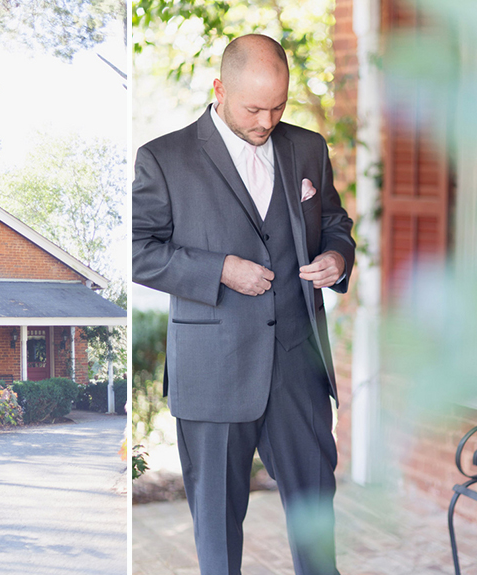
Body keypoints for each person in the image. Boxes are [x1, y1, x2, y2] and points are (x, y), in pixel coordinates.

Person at [132, 34, 355, 575]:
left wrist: (337, 257)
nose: (267, 120)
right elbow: (138, 250)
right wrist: (220, 269)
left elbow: (333, 221)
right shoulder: (163, 158)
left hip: (298, 362)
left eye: (278, 106)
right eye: (254, 108)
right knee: (217, 526)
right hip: (214, 369)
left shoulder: (308, 148)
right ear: (220, 89)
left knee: (314, 518)